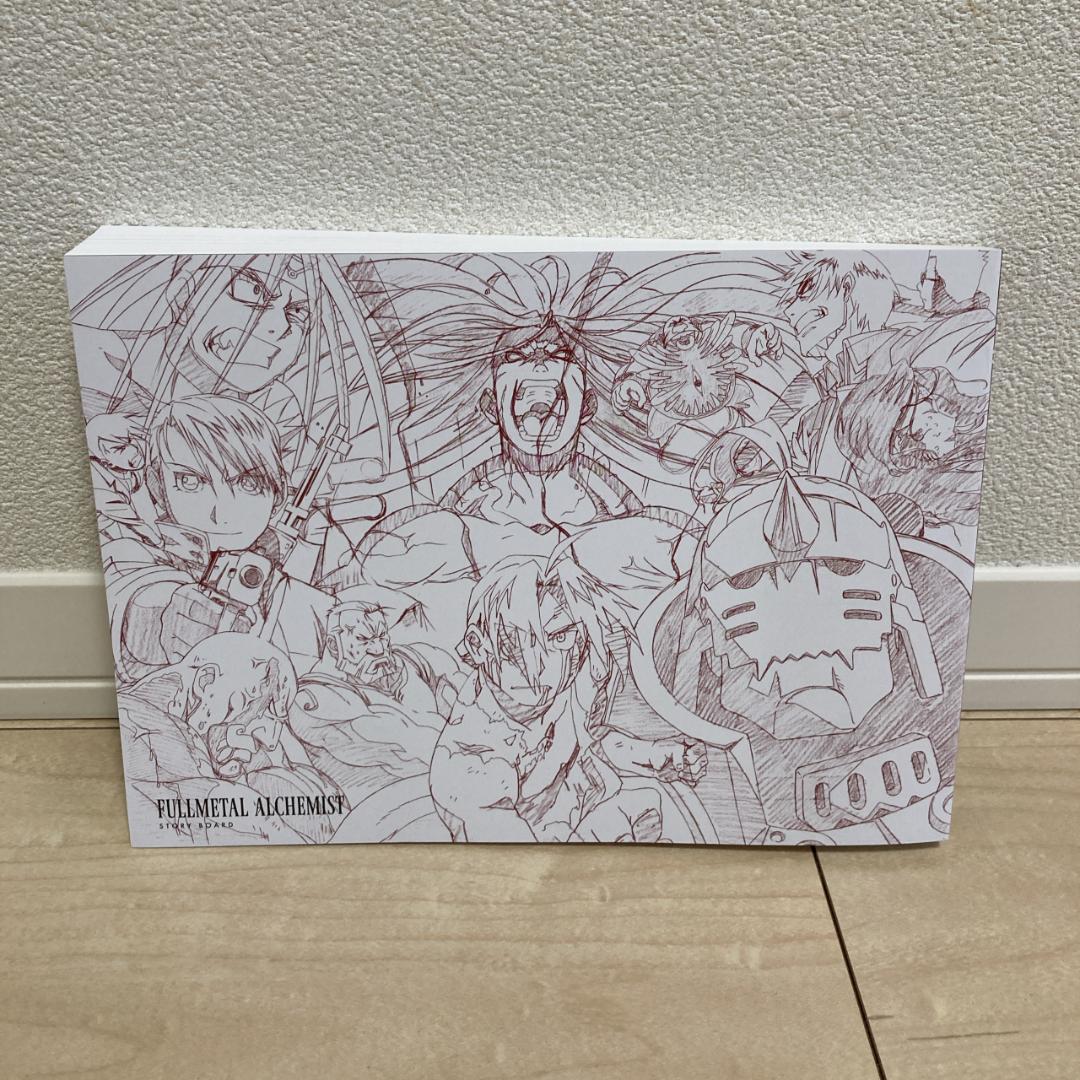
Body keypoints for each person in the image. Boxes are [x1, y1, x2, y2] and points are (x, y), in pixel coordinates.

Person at [428, 555, 707, 843]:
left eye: (563, 637)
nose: (557, 665)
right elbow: (515, 855)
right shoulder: (467, 764)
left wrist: (652, 754)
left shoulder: (561, 682)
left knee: (646, 805)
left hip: (590, 805)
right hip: (550, 848)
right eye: (529, 642)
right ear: (478, 645)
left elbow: (590, 741)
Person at [102, 394, 332, 683]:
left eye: (249, 483)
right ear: (157, 486)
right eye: (190, 481)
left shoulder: (276, 569)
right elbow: (134, 594)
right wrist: (160, 620)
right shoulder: (130, 553)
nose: (222, 512)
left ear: (279, 495)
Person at [119, 632, 343, 844]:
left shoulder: (175, 740)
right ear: (206, 681)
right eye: (255, 707)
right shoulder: (139, 732)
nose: (268, 741)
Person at [288, 592, 462, 805]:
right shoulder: (315, 699)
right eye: (364, 640)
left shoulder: (410, 659)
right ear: (333, 645)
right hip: (397, 805)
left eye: (382, 636)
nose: (379, 649)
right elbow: (404, 748)